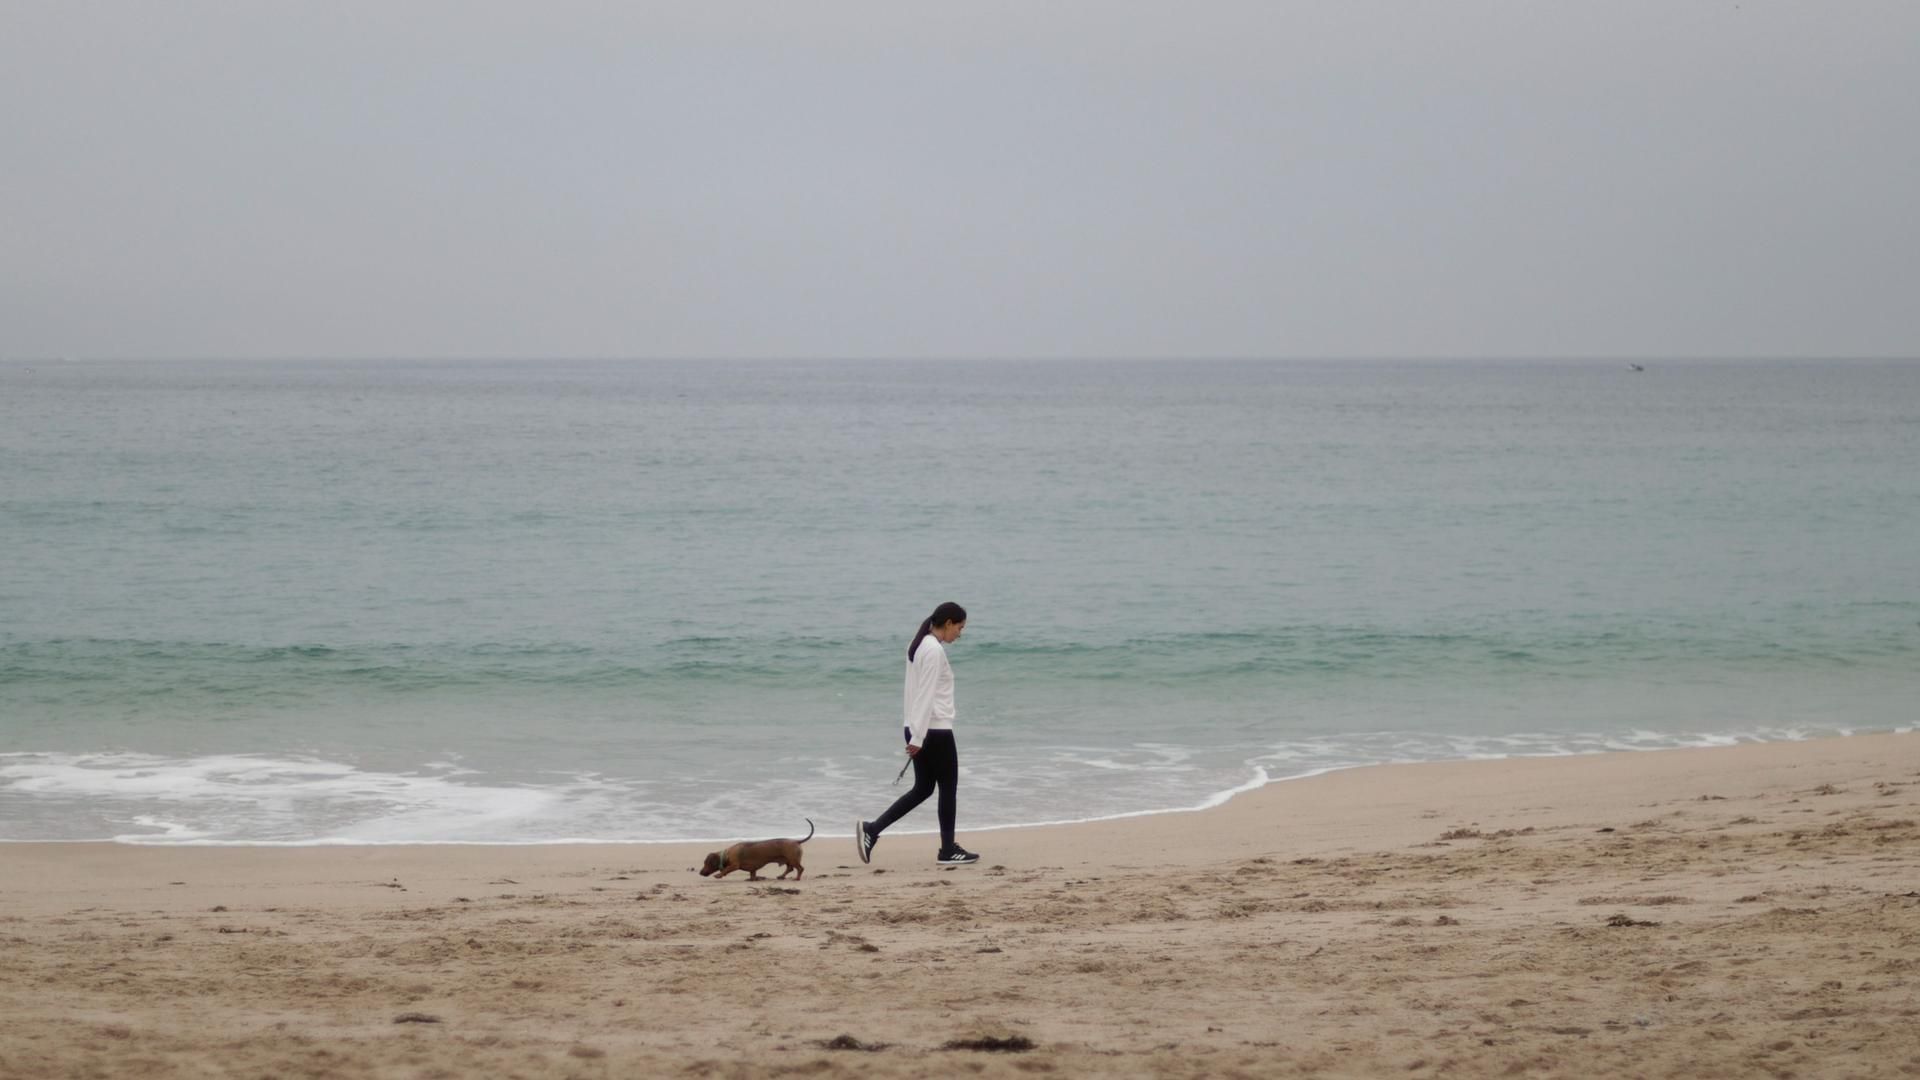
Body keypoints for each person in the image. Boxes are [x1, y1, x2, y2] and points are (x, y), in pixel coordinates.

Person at [855, 601, 979, 865]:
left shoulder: (920, 643)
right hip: (934, 730)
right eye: (960, 627)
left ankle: (872, 830)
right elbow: (926, 695)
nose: (960, 633)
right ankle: (948, 850)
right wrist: (919, 737)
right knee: (948, 788)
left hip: (919, 726)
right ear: (947, 624)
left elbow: (918, 694)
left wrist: (914, 732)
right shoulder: (933, 651)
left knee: (923, 788)